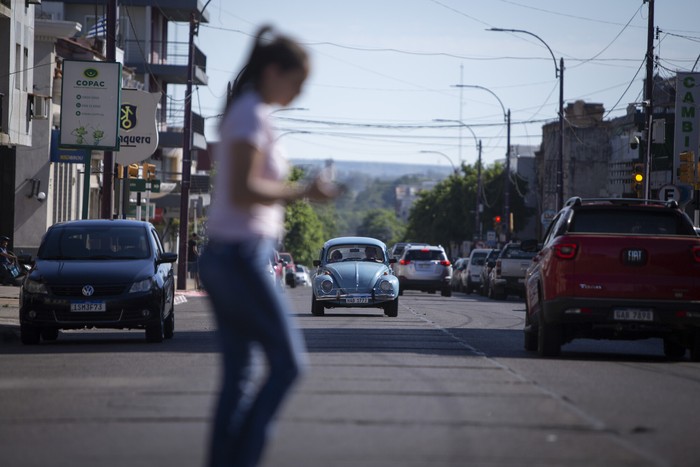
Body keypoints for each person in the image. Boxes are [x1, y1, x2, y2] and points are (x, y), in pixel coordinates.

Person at [198, 25, 340, 467]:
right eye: (298, 82)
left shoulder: (250, 113)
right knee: (288, 364)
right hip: (239, 256)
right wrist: (304, 193)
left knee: (241, 374)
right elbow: (243, 190)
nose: (299, 92)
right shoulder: (248, 114)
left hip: (234, 254)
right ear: (275, 71)